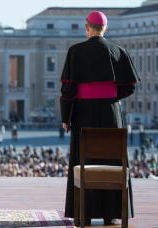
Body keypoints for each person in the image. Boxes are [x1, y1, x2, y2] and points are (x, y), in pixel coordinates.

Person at [60, 11, 139, 226]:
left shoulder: (75, 51)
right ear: (105, 28)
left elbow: (68, 89)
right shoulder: (118, 51)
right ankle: (111, 213)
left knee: (83, 159)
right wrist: (111, 98)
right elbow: (129, 87)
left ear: (87, 28)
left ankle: (83, 214)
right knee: (111, 158)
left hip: (83, 113)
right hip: (111, 114)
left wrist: (66, 117)